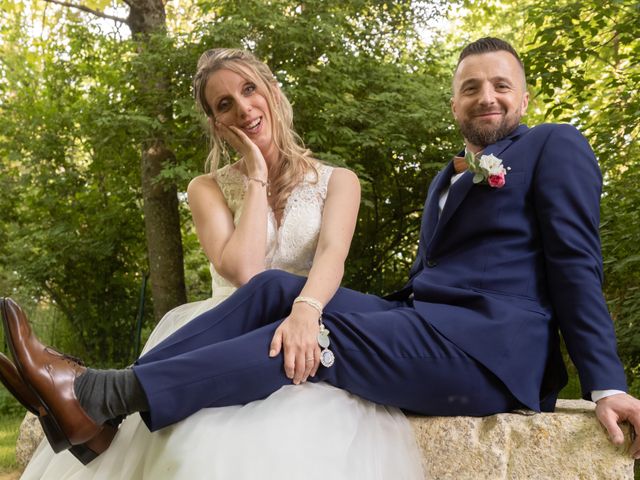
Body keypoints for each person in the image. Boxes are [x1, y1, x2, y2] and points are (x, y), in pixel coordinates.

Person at [3, 37, 640, 475]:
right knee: (277, 290)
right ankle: (99, 402)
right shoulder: (446, 179)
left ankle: (94, 397)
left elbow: (574, 263)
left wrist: (607, 383)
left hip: (492, 352)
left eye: (501, 85)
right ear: (454, 104)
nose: (486, 96)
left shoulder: (555, 146)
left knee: (306, 333)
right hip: (427, 324)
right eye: (470, 87)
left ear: (523, 97)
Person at [6, 49, 423, 479]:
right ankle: (87, 402)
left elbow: (331, 257)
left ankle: (88, 401)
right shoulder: (206, 188)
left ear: (273, 92)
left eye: (249, 90)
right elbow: (243, 270)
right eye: (224, 105)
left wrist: (305, 313)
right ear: (216, 124)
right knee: (187, 441)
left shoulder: (339, 181)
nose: (243, 108)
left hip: (303, 323)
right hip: (223, 326)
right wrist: (257, 175)